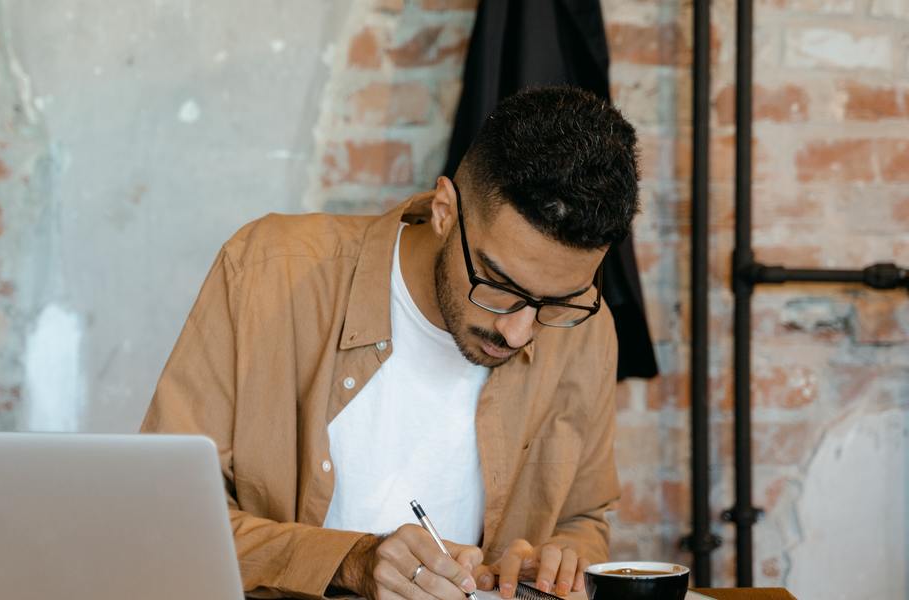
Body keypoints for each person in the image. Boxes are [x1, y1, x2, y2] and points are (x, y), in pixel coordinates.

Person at [141, 86, 639, 600]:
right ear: (446, 210)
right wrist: (352, 562)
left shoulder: (584, 326)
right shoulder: (266, 272)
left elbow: (583, 518)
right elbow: (160, 514)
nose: (519, 331)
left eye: (556, 301)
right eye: (498, 285)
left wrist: (559, 561)